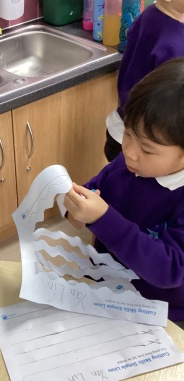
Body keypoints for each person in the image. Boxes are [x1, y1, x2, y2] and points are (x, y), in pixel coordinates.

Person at [64, 58, 184, 326]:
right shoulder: (127, 164)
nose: (129, 151)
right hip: (106, 287)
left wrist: (102, 218)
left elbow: (171, 269)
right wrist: (75, 208)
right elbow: (96, 189)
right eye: (128, 134)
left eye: (147, 149)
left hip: (162, 311)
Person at [104, 0, 184, 162]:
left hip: (120, 128)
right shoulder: (173, 45)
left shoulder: (149, 15)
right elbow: (173, 102)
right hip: (142, 147)